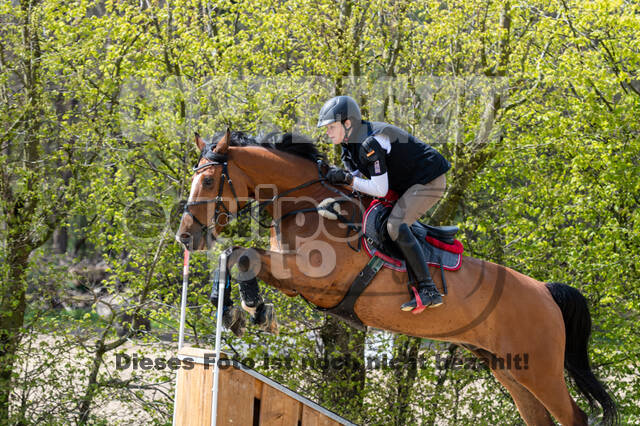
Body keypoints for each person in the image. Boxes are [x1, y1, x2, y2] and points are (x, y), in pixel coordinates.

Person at [317, 95, 451, 312]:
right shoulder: (348, 146)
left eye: (331, 126)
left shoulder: (371, 142)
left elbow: (378, 188)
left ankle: (429, 290)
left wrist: (347, 179)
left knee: (395, 225)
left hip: (428, 181)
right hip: (404, 183)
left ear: (347, 123)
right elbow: (358, 183)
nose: (327, 132)